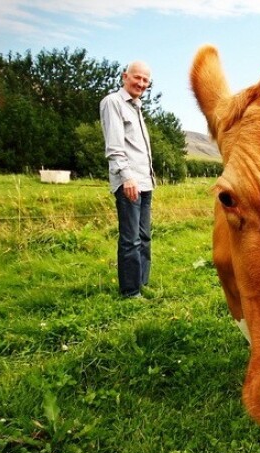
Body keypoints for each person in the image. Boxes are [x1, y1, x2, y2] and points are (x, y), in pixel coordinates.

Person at [100, 61, 156, 298]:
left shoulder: (137, 107)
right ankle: (130, 292)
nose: (141, 83)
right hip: (129, 182)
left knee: (144, 236)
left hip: (145, 181)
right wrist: (126, 177)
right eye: (137, 78)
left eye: (145, 80)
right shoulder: (113, 103)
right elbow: (114, 146)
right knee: (130, 239)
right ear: (125, 76)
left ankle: (142, 282)